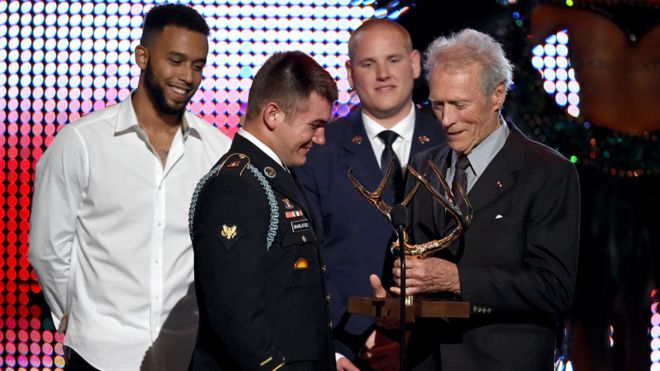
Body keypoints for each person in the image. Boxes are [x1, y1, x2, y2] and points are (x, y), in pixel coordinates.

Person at [28, 4, 231, 370]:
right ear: (142, 56)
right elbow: (48, 248)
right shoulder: (82, 142)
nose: (187, 76)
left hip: (187, 353)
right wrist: (79, 318)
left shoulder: (217, 150)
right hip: (100, 355)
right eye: (176, 60)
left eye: (197, 65)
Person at [388, 29, 580, 370]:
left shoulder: (548, 172)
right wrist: (395, 295)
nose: (446, 120)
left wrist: (456, 279)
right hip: (428, 360)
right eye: (437, 105)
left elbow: (553, 287)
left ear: (498, 95)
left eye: (459, 105)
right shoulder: (422, 165)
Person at [295, 19, 444, 371]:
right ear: (349, 73)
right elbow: (303, 261)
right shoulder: (318, 150)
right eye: (367, 64)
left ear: (415, 64)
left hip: (441, 349)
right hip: (349, 352)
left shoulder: (451, 142)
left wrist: (413, 335)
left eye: (393, 60)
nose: (383, 74)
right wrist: (343, 345)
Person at [188, 50, 338, 371]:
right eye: (315, 125)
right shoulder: (236, 186)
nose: (321, 138)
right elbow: (234, 316)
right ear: (273, 115)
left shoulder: (276, 176)